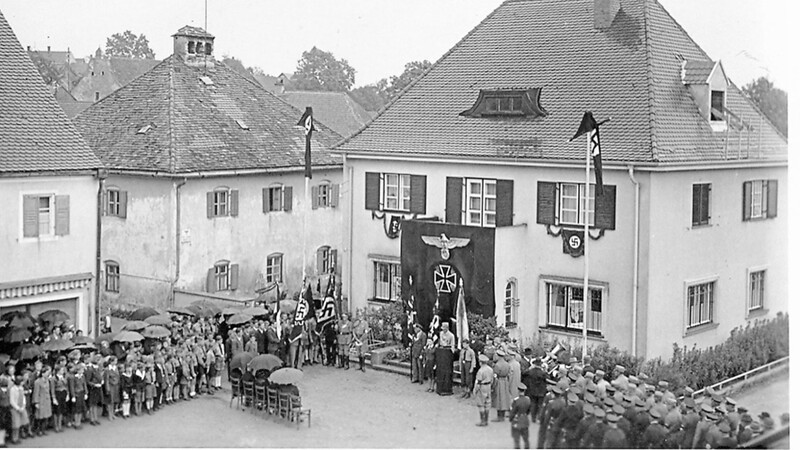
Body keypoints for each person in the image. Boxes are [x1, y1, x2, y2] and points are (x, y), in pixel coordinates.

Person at [435, 322, 455, 395]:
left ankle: (447, 389)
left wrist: (451, 351)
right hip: (441, 353)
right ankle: (440, 387)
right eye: (442, 328)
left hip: (447, 354)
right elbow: (440, 342)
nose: (443, 330)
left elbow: (452, 346)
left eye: (444, 328)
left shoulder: (451, 335)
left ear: (447, 328)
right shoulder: (440, 333)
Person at [492, 348, 512, 421]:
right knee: (504, 398)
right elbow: (509, 374)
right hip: (505, 381)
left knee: (499, 398)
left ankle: (499, 416)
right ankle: (503, 415)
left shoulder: (497, 365)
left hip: (499, 381)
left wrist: (493, 385)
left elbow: (495, 376)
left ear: (498, 356)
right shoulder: (507, 364)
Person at [509, 382, 531, 448]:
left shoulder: (516, 400)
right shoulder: (528, 399)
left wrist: (510, 418)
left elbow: (513, 411)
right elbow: (529, 410)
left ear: (518, 391)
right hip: (525, 420)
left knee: (516, 440)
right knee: (526, 439)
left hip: (517, 421)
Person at [31, 366, 52, 436]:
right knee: (40, 417)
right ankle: (38, 430)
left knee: (46, 416)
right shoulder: (37, 382)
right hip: (41, 400)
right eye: (46, 373)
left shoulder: (47, 381)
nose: (48, 374)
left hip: (47, 400)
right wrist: (36, 402)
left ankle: (43, 429)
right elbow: (36, 392)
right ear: (42, 373)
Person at [473, 354, 493, 427]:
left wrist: (475, 390)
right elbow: (492, 379)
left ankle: (482, 421)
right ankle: (486, 420)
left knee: (481, 404)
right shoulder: (490, 369)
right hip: (488, 386)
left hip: (482, 386)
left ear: (480, 362)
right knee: (487, 403)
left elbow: (478, 382)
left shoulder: (480, 371)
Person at [9, 376, 29, 443]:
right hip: (15, 409)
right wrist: (17, 408)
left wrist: (23, 406)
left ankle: (17, 437)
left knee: (21, 422)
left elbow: (23, 398)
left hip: (21, 407)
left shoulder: (21, 388)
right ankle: (14, 438)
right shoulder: (12, 389)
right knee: (15, 424)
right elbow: (12, 401)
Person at [67, 365, 87, 430]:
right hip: (76, 394)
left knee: (81, 409)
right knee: (76, 410)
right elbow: (72, 387)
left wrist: (86, 393)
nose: (83, 371)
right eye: (82, 370)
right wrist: (73, 396)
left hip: (81, 393)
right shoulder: (73, 377)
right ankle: (76, 423)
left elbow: (84, 385)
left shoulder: (82, 376)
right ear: (78, 370)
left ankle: (79, 422)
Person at [50, 365, 69, 432]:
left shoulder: (63, 377)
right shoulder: (53, 378)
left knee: (61, 410)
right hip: (57, 394)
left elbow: (66, 386)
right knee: (56, 410)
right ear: (58, 371)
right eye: (62, 370)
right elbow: (52, 389)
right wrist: (54, 398)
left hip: (63, 394)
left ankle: (60, 425)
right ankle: (56, 426)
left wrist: (67, 395)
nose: (63, 371)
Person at [103, 356, 120, 421]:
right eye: (115, 361)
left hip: (116, 386)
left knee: (114, 401)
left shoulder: (116, 368)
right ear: (111, 361)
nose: (116, 362)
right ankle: (109, 414)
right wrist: (107, 388)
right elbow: (106, 379)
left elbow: (118, 377)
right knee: (110, 401)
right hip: (110, 386)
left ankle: (112, 414)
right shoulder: (107, 369)